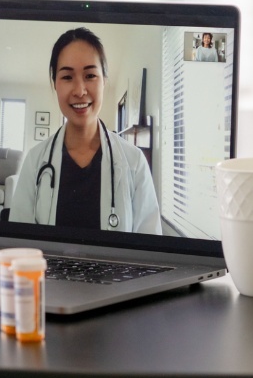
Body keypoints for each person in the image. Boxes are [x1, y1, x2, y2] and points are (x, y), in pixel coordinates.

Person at [9, 28, 161, 234]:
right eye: (67, 77)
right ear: (55, 84)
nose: (80, 91)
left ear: (104, 81)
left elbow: (149, 253)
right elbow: (20, 245)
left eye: (90, 75)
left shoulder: (134, 163)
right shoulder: (35, 162)